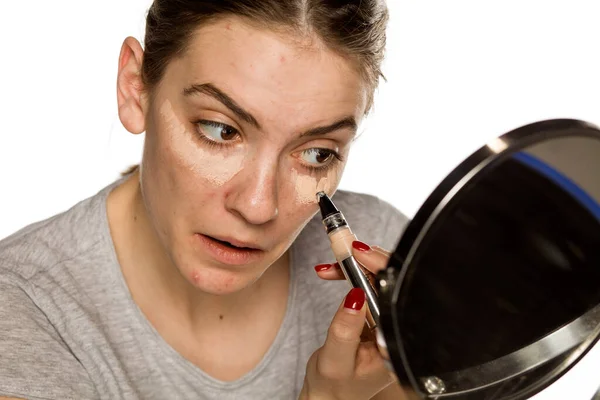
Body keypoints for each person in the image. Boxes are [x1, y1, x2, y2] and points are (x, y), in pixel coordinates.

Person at [0, 0, 410, 399]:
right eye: (220, 130)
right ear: (135, 86)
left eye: (317, 153)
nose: (257, 206)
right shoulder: (21, 310)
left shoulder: (390, 255)